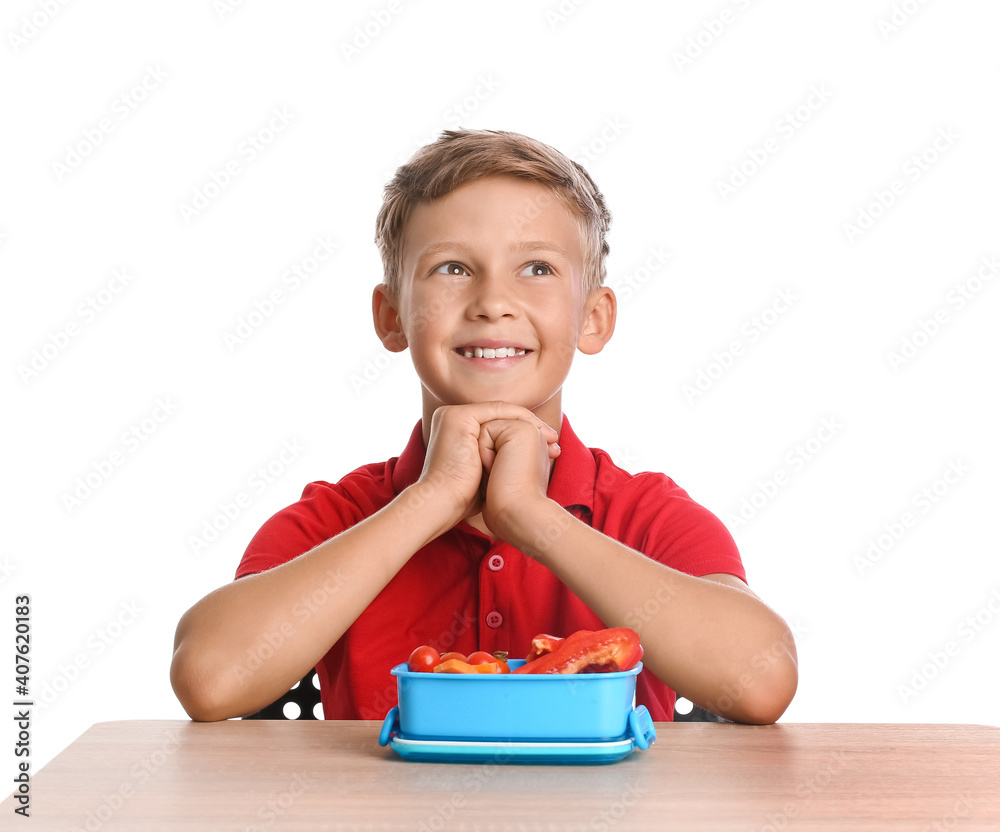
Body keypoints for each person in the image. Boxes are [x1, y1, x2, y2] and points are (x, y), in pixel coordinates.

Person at [170, 129, 798, 725]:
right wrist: (429, 500)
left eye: (537, 269)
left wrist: (531, 516)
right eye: (451, 268)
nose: (492, 301)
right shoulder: (336, 519)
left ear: (594, 318)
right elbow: (210, 678)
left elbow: (763, 680)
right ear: (392, 317)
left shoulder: (648, 518)